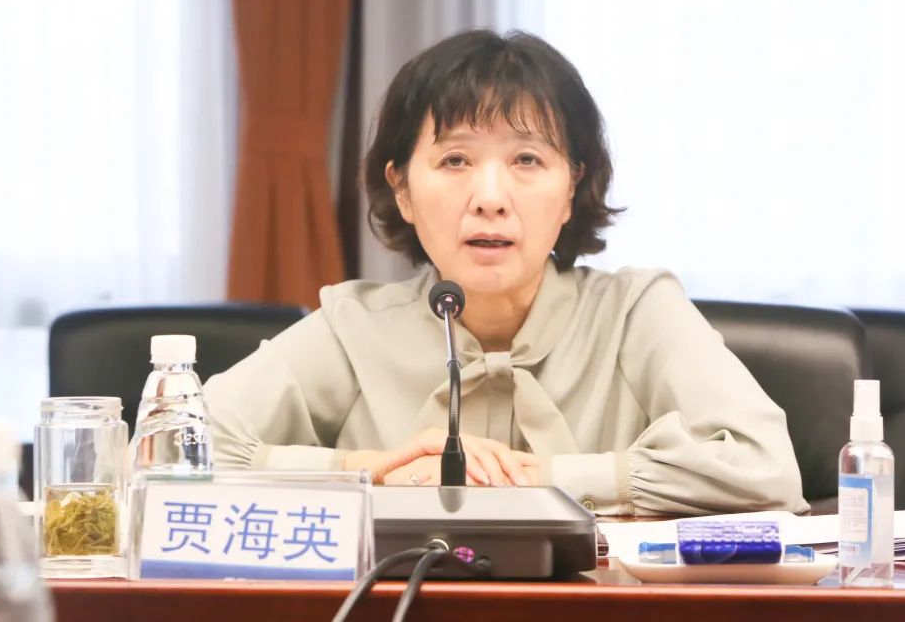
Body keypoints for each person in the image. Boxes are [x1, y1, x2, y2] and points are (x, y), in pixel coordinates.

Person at [204, 29, 808, 516]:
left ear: (571, 188)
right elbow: (174, 452)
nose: (490, 198)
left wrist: (545, 478)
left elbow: (766, 468)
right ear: (402, 189)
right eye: (455, 160)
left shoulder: (635, 312)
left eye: (526, 159)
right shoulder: (353, 328)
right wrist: (368, 471)